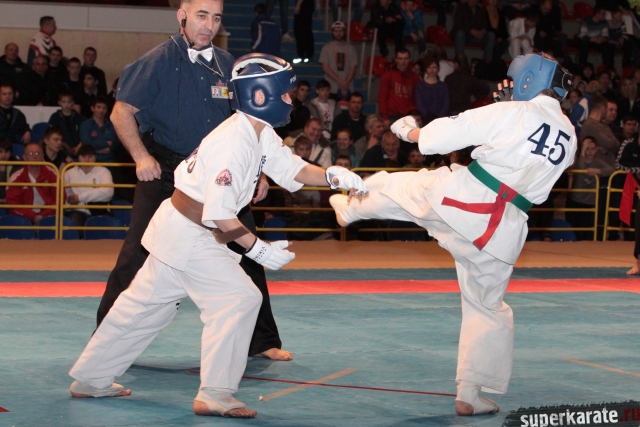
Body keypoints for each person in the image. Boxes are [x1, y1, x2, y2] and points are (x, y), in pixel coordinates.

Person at [68, 53, 368, 418]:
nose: (291, 101)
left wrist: (333, 176)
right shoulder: (234, 142)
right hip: (192, 232)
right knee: (239, 298)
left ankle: (91, 378)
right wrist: (258, 250)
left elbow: (293, 169)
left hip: (179, 230)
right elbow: (220, 214)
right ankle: (215, 393)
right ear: (260, 95)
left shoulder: (258, 131)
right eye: (285, 94)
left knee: (144, 306)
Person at [330, 53, 576, 416]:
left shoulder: (511, 113)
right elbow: (525, 146)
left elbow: (445, 135)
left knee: (404, 188)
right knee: (487, 307)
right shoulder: (569, 134)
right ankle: (470, 393)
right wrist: (509, 108)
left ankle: (350, 208)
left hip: (467, 200)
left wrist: (408, 131)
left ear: (527, 81)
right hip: (504, 230)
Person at [96, 0, 291, 363]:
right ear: (182, 16)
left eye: (216, 18)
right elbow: (121, 112)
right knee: (137, 254)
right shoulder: (157, 60)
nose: (208, 25)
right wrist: (141, 156)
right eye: (201, 16)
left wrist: (258, 170)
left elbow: (248, 122)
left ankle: (261, 340)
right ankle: (105, 342)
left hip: (219, 173)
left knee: (246, 251)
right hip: (165, 170)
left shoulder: (228, 65)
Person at [566, 136, 613, 241]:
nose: (590, 152)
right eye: (587, 149)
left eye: (592, 149)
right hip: (576, 200)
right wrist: (582, 151)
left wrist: (597, 171)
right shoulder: (578, 160)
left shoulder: (598, 162)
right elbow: (581, 168)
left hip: (590, 202)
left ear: (596, 149)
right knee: (575, 231)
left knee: (587, 233)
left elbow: (611, 170)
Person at [63, 144, 114, 230]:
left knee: (107, 228)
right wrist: (69, 202)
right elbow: (65, 195)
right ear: (78, 157)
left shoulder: (104, 171)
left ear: (95, 157)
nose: (87, 160)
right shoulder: (69, 173)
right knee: (73, 224)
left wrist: (80, 197)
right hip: (77, 211)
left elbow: (108, 192)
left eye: (90, 156)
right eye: (83, 157)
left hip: (99, 210)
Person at [6, 142, 58, 224]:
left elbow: (59, 199)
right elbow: (14, 204)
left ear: (42, 156)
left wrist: (43, 215)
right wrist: (33, 216)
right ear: (24, 157)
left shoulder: (52, 174)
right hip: (22, 218)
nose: (34, 156)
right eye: (31, 153)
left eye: (37, 153)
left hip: (48, 216)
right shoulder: (16, 177)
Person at [378, 49, 420, 129]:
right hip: (392, 116)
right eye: (400, 59)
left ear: (410, 60)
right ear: (396, 60)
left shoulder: (415, 77)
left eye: (405, 58)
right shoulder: (388, 75)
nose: (403, 61)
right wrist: (385, 117)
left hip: (409, 116)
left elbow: (417, 98)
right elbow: (382, 97)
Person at [319, 21, 358, 100]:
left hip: (347, 88)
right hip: (331, 87)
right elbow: (325, 67)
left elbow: (353, 68)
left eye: (341, 31)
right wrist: (341, 81)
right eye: (336, 31)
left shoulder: (351, 48)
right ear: (332, 32)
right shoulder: (326, 48)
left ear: (344, 32)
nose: (338, 33)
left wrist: (345, 83)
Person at [79, 96, 119, 163]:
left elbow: (114, 146)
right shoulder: (85, 125)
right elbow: (86, 144)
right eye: (99, 107)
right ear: (92, 108)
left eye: (104, 108)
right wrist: (106, 143)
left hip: (109, 162)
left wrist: (95, 149)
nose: (101, 110)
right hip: (90, 162)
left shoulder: (112, 126)